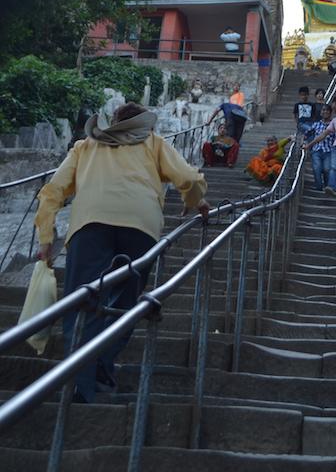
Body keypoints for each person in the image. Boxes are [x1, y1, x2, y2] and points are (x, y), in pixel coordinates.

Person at [34, 102, 210, 403]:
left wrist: (46, 238)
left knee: (82, 301)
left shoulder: (86, 145)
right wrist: (197, 201)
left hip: (89, 226)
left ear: (114, 122)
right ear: (145, 125)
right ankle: (102, 363)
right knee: (127, 302)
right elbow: (190, 179)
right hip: (140, 228)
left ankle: (80, 379)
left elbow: (54, 190)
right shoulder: (154, 143)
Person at [304, 104, 334, 191]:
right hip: (316, 150)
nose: (325, 112)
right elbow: (307, 133)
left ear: (330, 112)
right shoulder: (316, 124)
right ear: (321, 113)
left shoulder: (333, 125)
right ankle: (319, 187)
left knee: (326, 169)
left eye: (327, 110)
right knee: (316, 168)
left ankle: (327, 186)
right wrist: (303, 141)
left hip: (329, 150)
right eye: (323, 110)